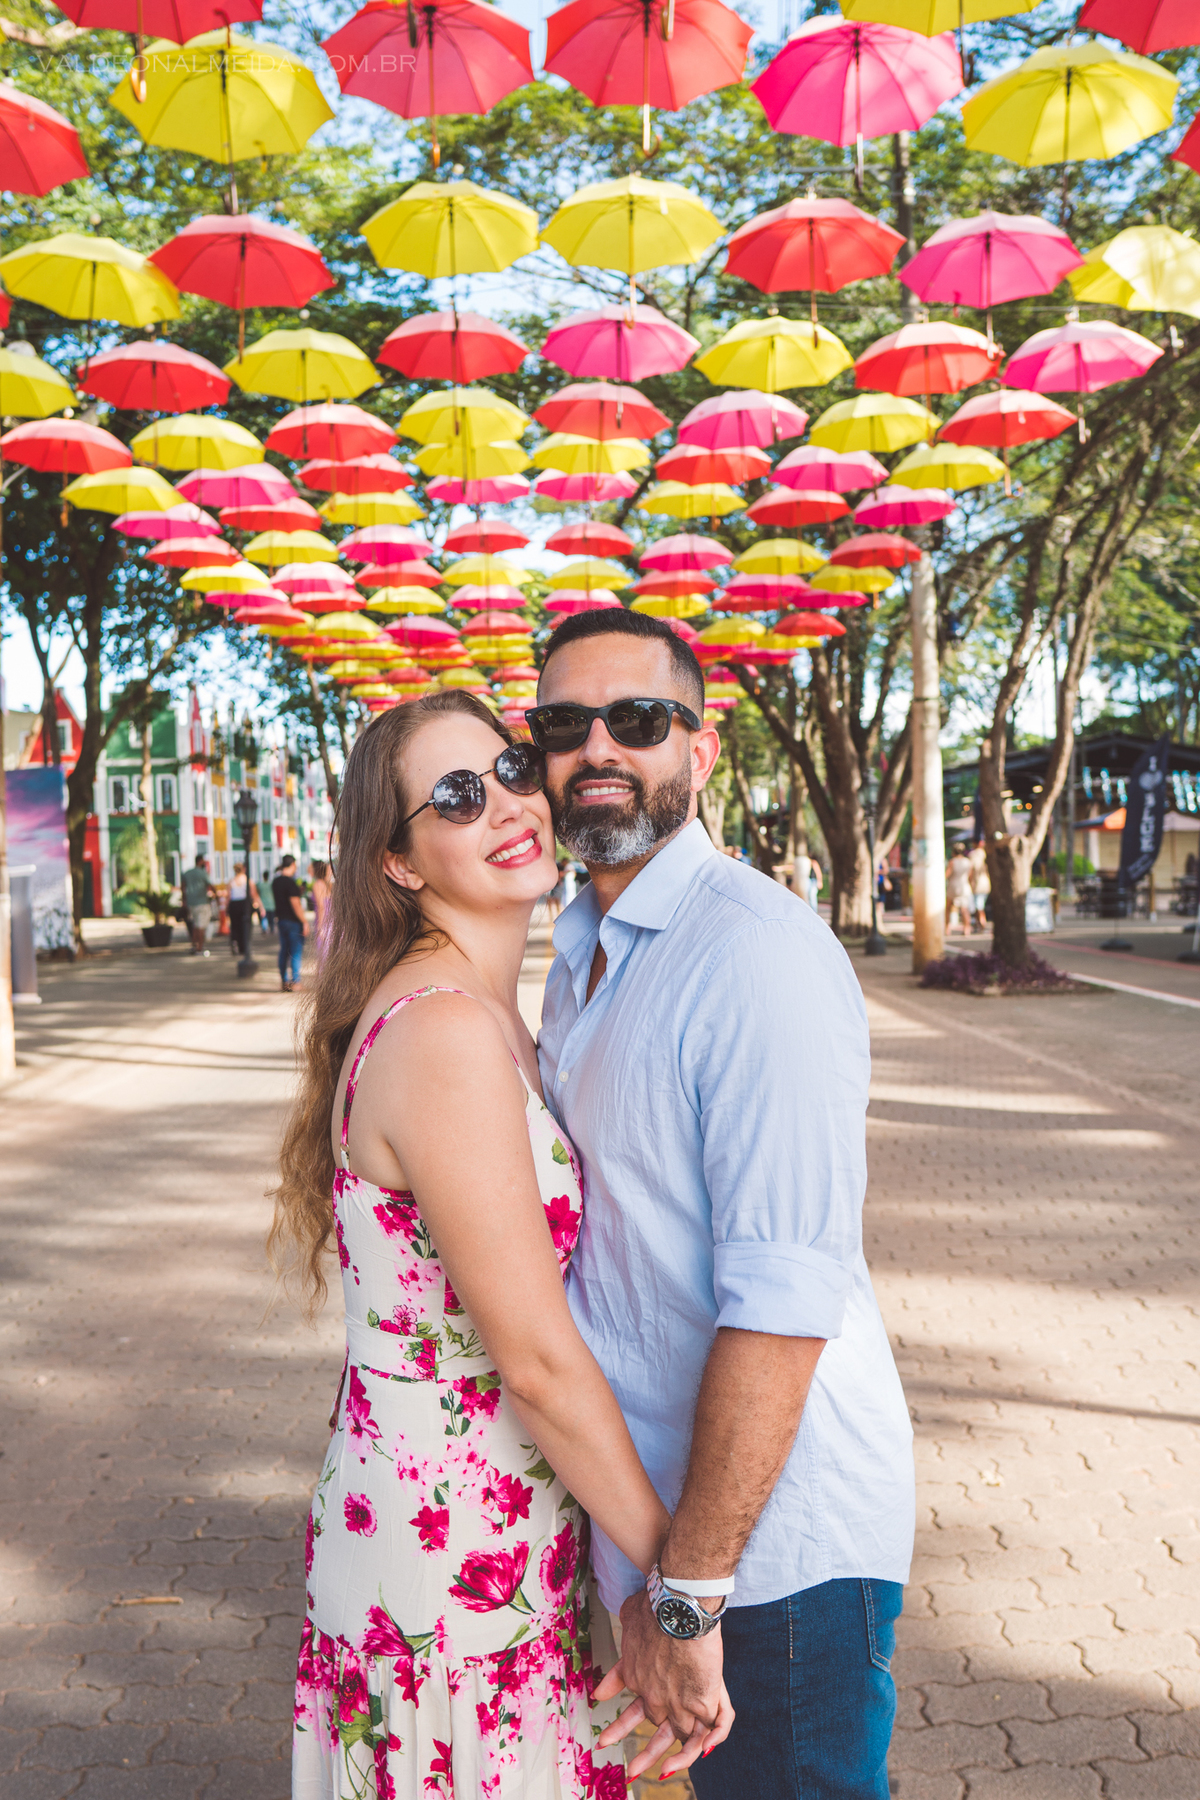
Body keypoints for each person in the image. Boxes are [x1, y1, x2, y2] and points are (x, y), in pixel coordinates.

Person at [271, 691, 730, 1799]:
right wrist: (686, 1589)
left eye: (514, 768)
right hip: (447, 1555)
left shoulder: (487, 1011)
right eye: (457, 798)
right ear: (401, 862)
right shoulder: (442, 1032)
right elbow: (532, 1357)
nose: (510, 805)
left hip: (490, 1528)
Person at [530, 608, 914, 1800]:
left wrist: (689, 1591)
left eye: (636, 720)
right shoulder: (582, 945)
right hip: (664, 1531)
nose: (596, 748)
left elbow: (785, 1299)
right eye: (561, 725)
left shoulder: (755, 955)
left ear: (700, 750)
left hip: (769, 1555)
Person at [272, 856, 308, 992]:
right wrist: (304, 921)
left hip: (281, 920)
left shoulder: (276, 881)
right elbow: (295, 904)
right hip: (293, 921)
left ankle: (284, 980)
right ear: (292, 865)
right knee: (295, 952)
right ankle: (296, 982)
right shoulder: (290, 882)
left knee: (284, 951)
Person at [227, 861, 263, 961]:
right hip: (244, 905)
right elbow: (254, 894)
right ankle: (244, 947)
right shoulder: (247, 880)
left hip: (234, 905)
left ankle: (235, 942)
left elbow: (229, 896)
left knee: (235, 926)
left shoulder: (232, 881)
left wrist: (226, 908)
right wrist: (261, 906)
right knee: (246, 925)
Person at [181, 854, 215, 956]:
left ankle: (194, 945)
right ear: (200, 861)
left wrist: (184, 901)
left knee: (195, 925)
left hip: (191, 903)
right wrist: (216, 896)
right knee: (201, 926)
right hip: (202, 902)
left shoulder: (187, 873)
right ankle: (199, 947)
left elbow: (182, 888)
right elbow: (210, 885)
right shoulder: (203, 873)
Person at [945, 845, 975, 934]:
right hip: (965, 886)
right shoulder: (968, 862)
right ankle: (967, 928)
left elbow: (947, 874)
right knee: (964, 909)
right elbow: (970, 876)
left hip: (953, 886)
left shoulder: (952, 862)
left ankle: (947, 928)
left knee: (948, 908)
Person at [968, 838, 990, 928]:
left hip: (977, 884)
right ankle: (979, 924)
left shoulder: (974, 854)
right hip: (986, 884)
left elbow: (971, 870)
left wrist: (969, 882)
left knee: (979, 906)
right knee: (980, 905)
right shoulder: (987, 853)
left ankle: (982, 924)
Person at [309, 859, 333, 943]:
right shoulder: (328, 884)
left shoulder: (317, 884)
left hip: (324, 921)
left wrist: (320, 926)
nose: (309, 870)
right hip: (331, 921)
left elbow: (321, 906)